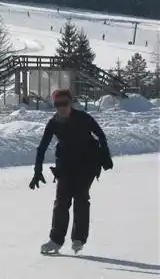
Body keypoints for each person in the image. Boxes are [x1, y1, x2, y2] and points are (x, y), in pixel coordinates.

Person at [30, 88, 113, 254]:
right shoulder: (54, 122)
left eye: (64, 103)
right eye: (57, 104)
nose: (61, 107)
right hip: (66, 165)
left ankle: (78, 238)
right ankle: (56, 240)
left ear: (71, 102)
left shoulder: (84, 118)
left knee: (81, 198)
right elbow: (42, 147)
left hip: (87, 164)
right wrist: (37, 170)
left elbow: (101, 135)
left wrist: (105, 153)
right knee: (61, 201)